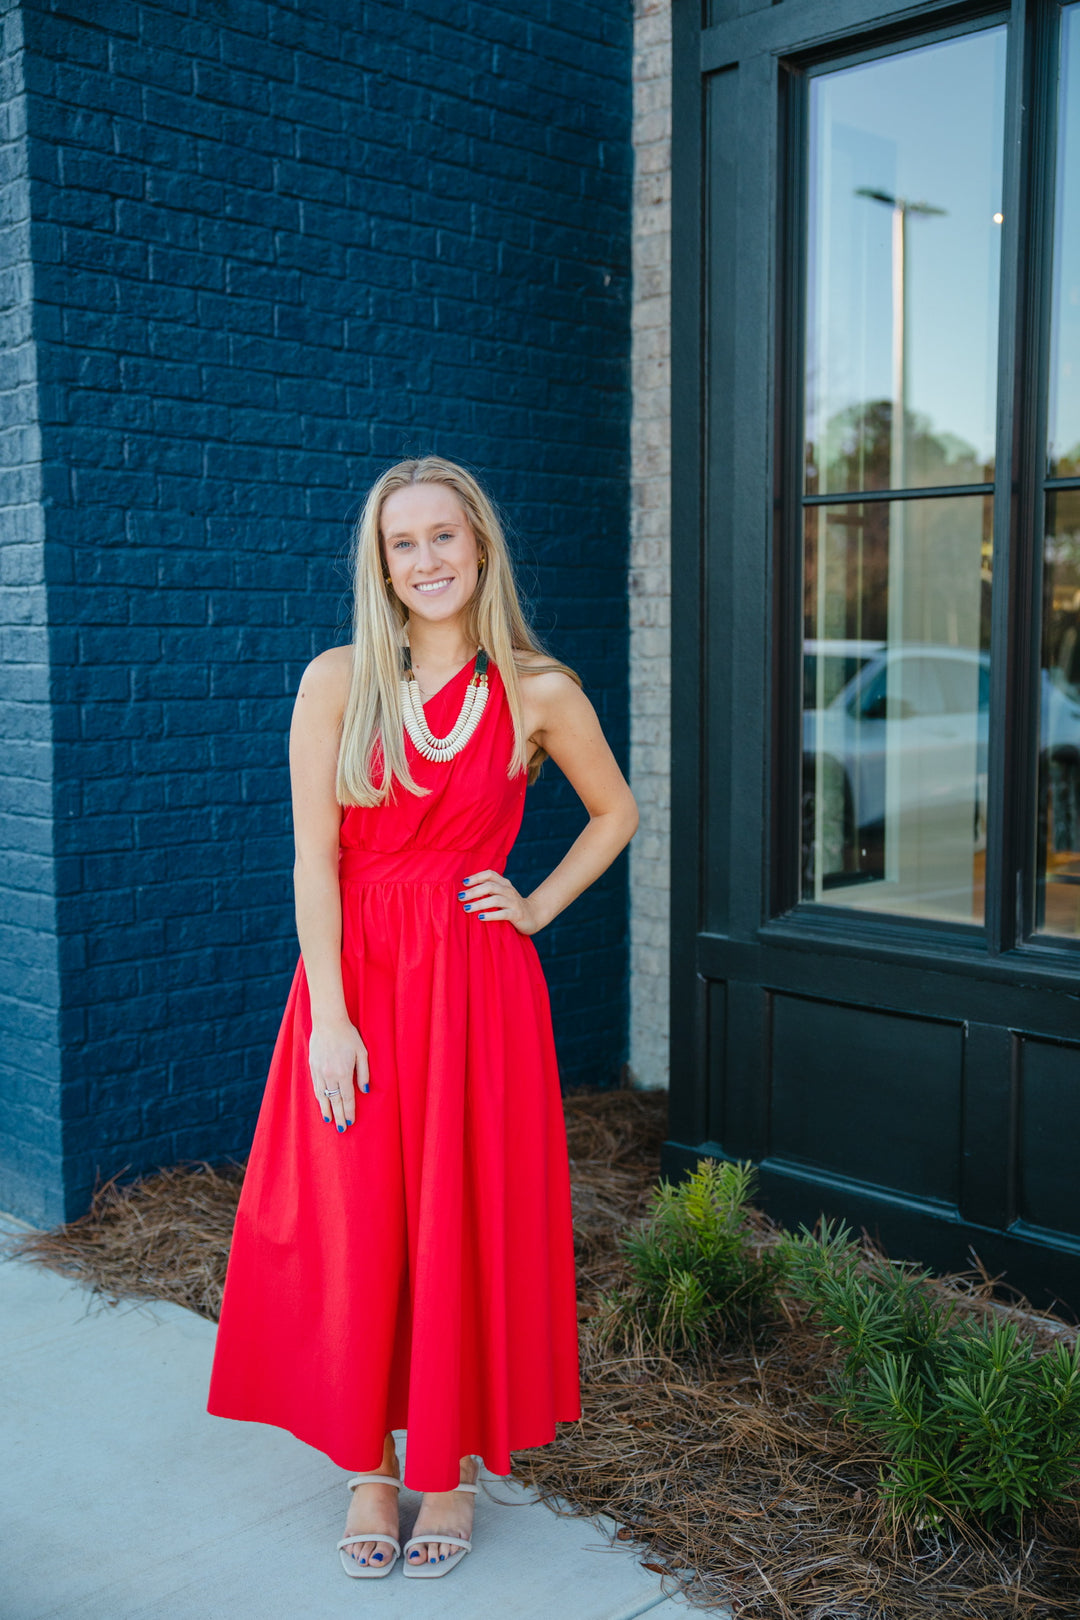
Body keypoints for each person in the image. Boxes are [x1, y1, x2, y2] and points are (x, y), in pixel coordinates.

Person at [206, 455, 638, 1579]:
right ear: (381, 563)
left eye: (445, 536)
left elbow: (617, 811)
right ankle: (369, 1468)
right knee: (358, 1221)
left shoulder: (537, 689)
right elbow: (312, 861)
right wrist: (331, 1021)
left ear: (479, 546)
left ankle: (444, 1472)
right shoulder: (337, 680)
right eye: (405, 543)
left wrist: (536, 903)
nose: (427, 559)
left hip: (479, 992)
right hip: (358, 989)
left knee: (459, 1218)